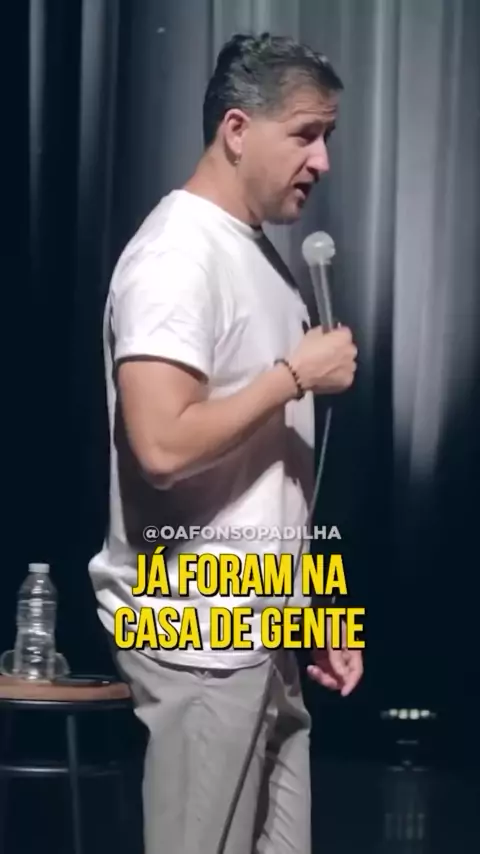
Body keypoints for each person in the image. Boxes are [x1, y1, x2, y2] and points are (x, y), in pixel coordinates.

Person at [89, 32, 363, 854]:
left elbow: (262, 482)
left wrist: (307, 609)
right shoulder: (178, 256)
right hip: (196, 640)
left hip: (261, 635)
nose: (322, 161)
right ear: (237, 130)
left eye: (328, 137)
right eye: (305, 134)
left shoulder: (254, 253)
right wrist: (294, 373)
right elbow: (162, 446)